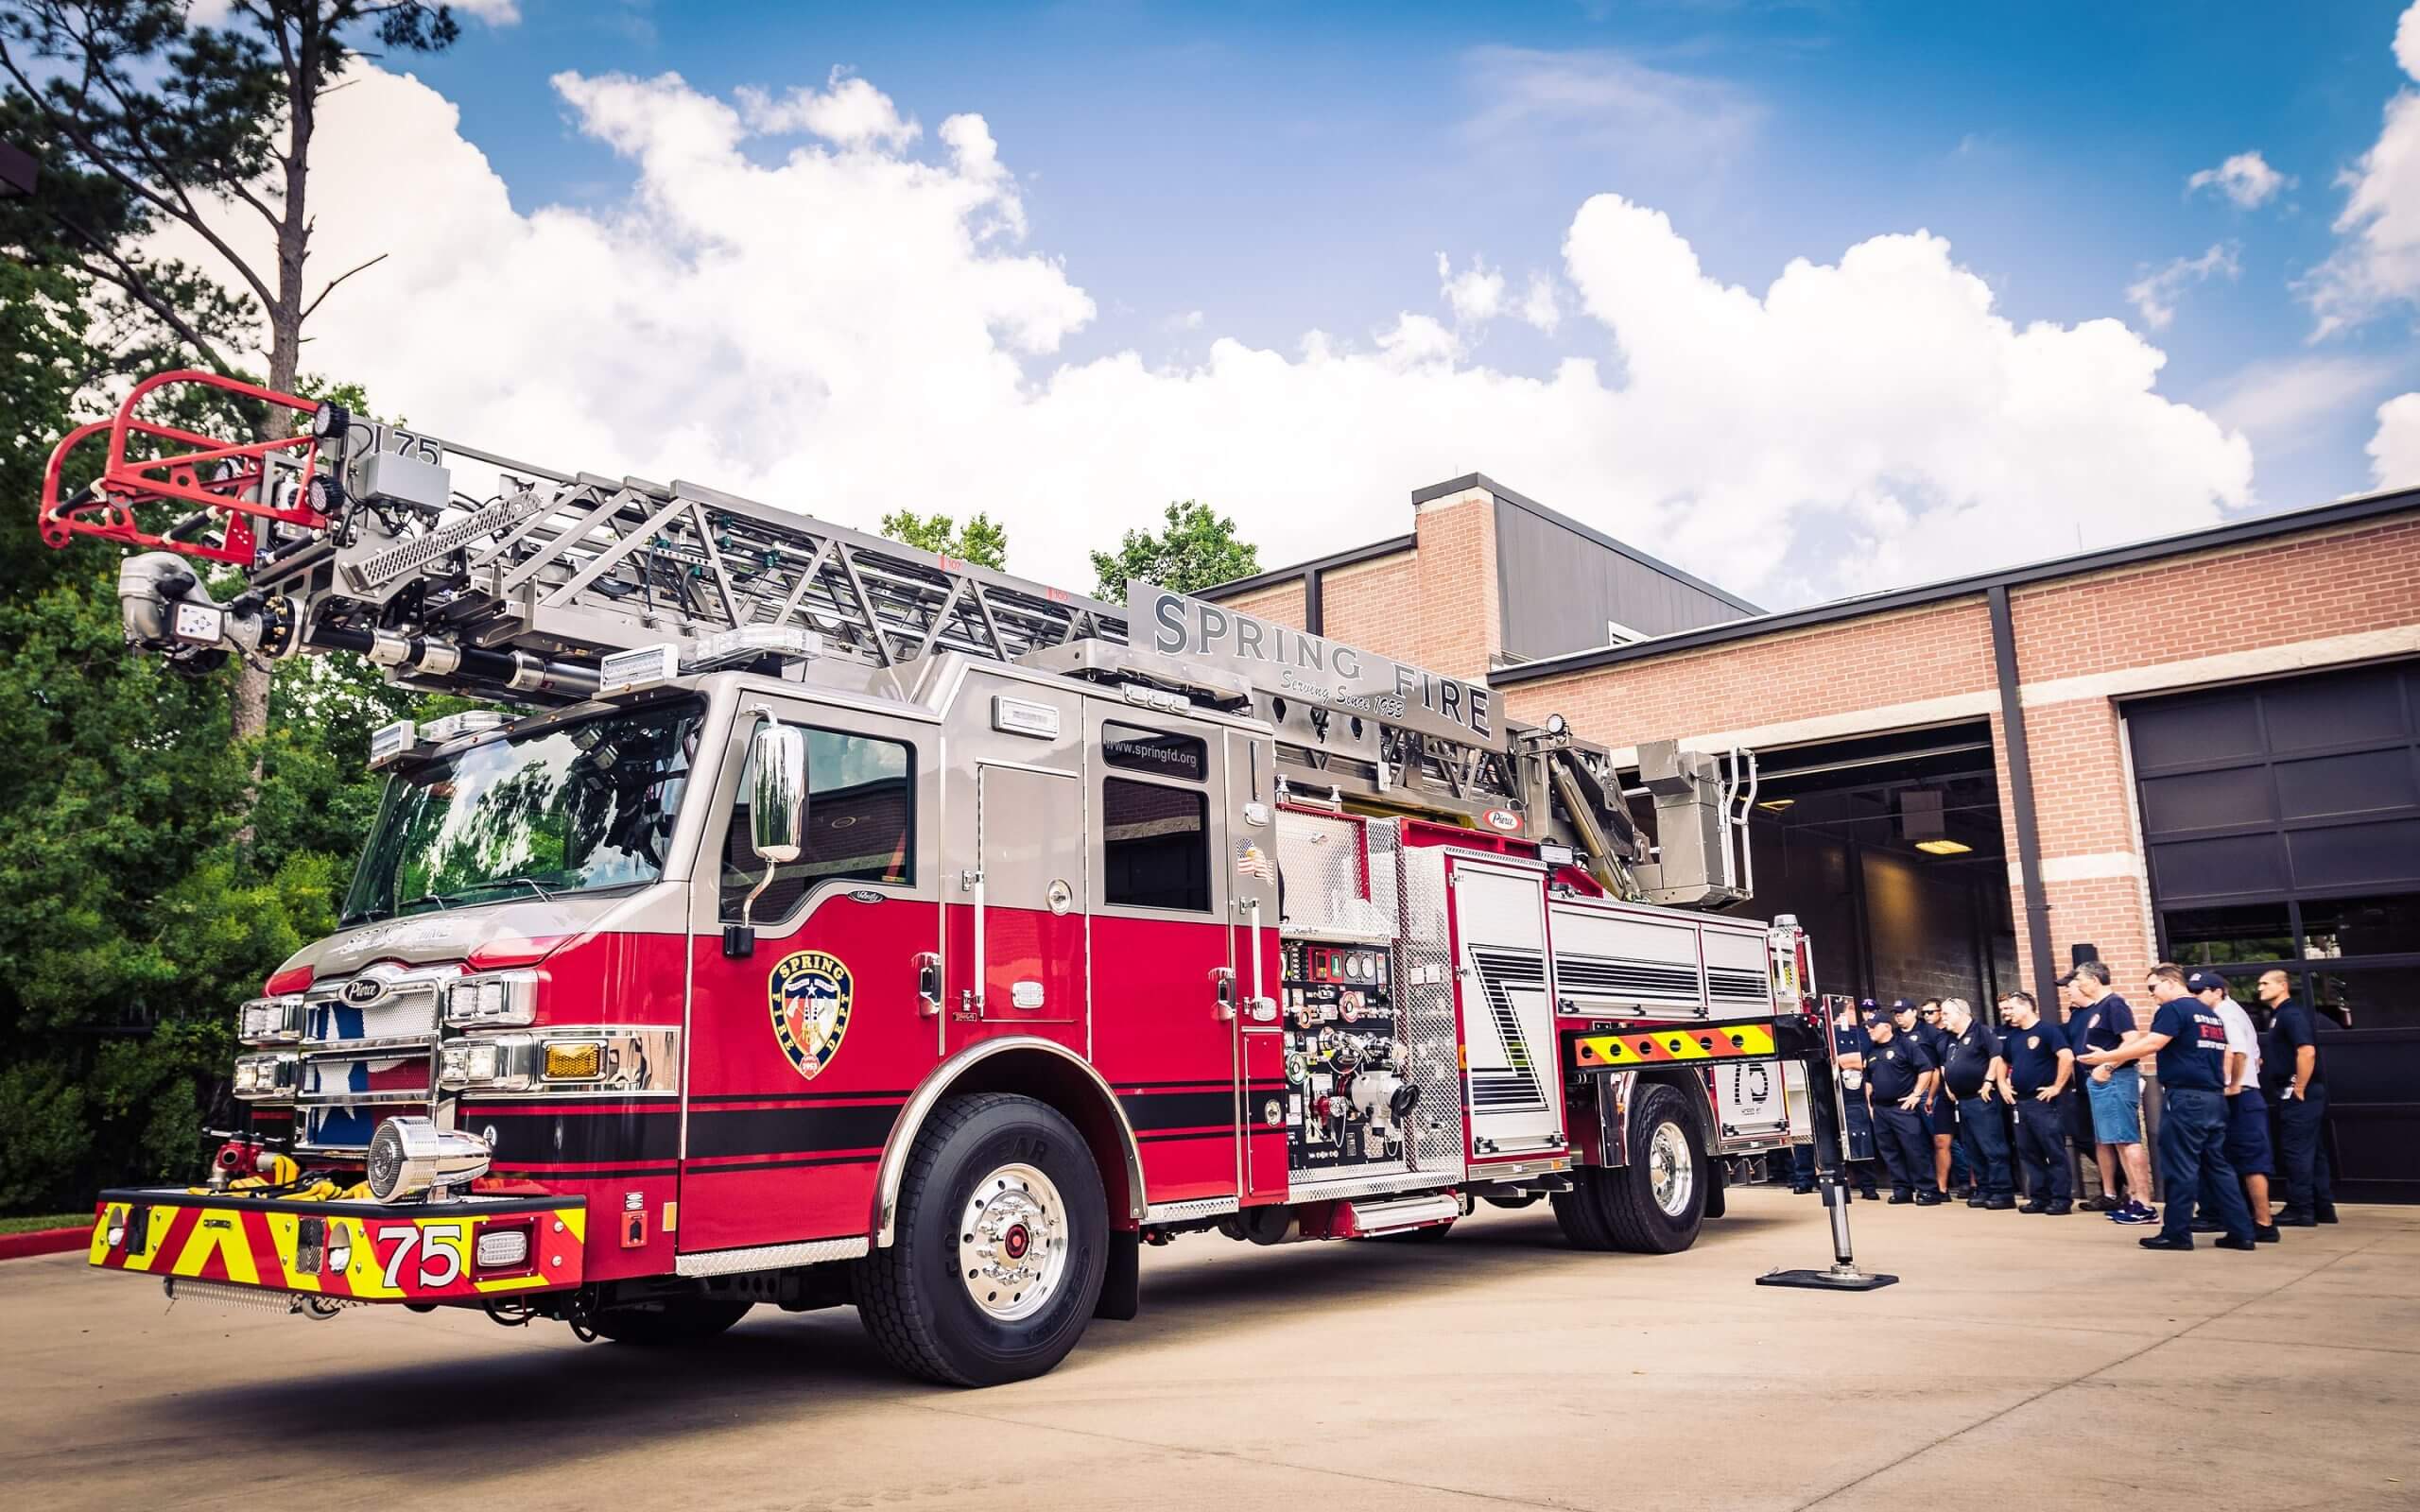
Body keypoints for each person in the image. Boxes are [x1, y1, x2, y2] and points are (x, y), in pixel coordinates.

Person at [2077, 963, 2256, 1252]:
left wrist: (2108, 1058)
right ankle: (2241, 1232)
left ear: (2171, 983)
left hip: (2187, 1099)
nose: (2152, 996)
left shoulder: (2173, 1010)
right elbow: (2225, 1056)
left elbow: (2152, 1044)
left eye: (2153, 988)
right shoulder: (2210, 1014)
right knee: (2218, 1168)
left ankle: (2176, 1233)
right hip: (2213, 1097)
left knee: (2180, 1167)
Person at [2186, 971, 2279, 1244]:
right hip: (2245, 1095)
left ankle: (2264, 1223)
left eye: (2200, 991)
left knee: (2251, 1161)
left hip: (2241, 1098)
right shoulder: (2234, 1013)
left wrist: (2232, 1082)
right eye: (2192, 992)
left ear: (2218, 991)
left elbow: (2237, 1051)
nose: (2195, 997)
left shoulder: (2225, 1014)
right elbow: (2257, 1058)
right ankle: (2244, 1218)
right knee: (2234, 1160)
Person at [2066, 961, 2156, 1224]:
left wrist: (2108, 1064)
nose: (2078, 985)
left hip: (2115, 1078)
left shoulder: (2114, 1004)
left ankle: (2144, 1203)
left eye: (2080, 980)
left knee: (2127, 1140)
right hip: (2100, 1081)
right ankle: (2134, 1199)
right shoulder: (2097, 1008)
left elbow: (2132, 1039)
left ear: (2094, 980)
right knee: (2116, 1141)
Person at [2258, 968, 2337, 1227]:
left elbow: (2307, 1052)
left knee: (2296, 1151)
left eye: (2265, 983)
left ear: (2283, 986)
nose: (2260, 988)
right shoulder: (2279, 1016)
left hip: (2300, 1092)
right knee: (2313, 1151)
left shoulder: (2291, 1015)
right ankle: (2322, 1207)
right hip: (2298, 1090)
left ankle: (2300, 1209)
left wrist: (2299, 1086)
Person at [1996, 990, 2074, 1213]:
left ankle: (2061, 1198)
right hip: (2021, 1101)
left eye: (2011, 1008)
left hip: (2044, 1102)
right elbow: (2003, 1060)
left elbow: (2067, 1057)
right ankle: (2040, 1197)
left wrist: (2057, 1087)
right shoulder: (2014, 1036)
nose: (2007, 1013)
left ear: (2025, 1006)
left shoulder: (2048, 1031)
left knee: (2053, 1150)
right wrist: (2002, 1083)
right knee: (2028, 1151)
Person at [1939, 997, 2014, 1209]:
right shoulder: (1950, 1039)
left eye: (1946, 1013)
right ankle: (1984, 1188)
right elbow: (1947, 1065)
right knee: (1972, 1148)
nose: (1942, 1018)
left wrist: (1989, 1081)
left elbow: (1997, 1055)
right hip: (1962, 1101)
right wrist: (1949, 1085)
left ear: (1961, 1013)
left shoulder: (1981, 1031)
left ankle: (2002, 1192)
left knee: (1992, 1147)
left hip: (1981, 1098)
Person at [1863, 1009, 1941, 1204]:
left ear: (1886, 1027)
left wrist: (1916, 1094)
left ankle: (1927, 1190)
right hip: (1880, 1109)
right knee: (1890, 1151)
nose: (1869, 1030)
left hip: (1902, 1107)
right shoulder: (1871, 1050)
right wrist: (1870, 1106)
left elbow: (1926, 1069)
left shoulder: (1905, 1045)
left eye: (1873, 1027)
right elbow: (1869, 1080)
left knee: (1915, 1149)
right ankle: (1901, 1190)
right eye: (1868, 1027)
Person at [1894, 999, 1957, 1199]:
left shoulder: (1929, 1031)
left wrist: (1930, 1095)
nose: (1898, 1016)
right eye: (1896, 1013)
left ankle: (1950, 1185)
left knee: (1942, 1140)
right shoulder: (1895, 1037)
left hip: (1930, 1095)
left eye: (1902, 1012)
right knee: (1917, 1142)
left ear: (1914, 1012)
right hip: (1906, 1095)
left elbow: (1938, 1066)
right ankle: (1929, 1187)